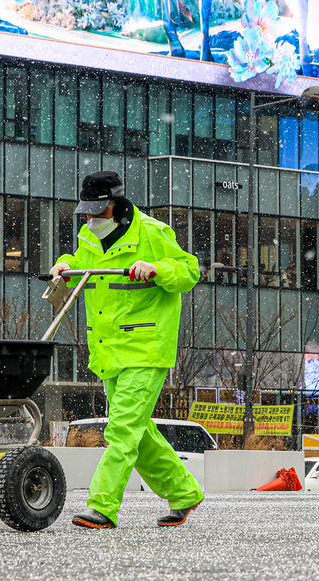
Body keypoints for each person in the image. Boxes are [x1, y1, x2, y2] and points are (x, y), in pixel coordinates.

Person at [49, 171, 205, 529]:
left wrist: (157, 268)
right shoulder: (89, 236)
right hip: (109, 350)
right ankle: (184, 492)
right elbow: (78, 258)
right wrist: (66, 264)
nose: (89, 219)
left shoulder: (152, 232)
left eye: (96, 211)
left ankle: (102, 506)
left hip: (147, 348)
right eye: (85, 213)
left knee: (121, 430)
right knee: (138, 430)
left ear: (116, 206)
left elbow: (189, 270)